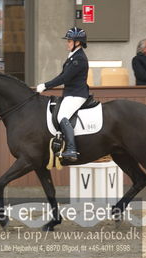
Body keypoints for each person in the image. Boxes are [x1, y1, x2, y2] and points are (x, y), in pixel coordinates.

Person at [36, 27, 89, 162]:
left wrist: (45, 86)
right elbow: (62, 75)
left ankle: (71, 149)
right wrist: (46, 85)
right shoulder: (73, 57)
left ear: (77, 42)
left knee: (62, 116)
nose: (67, 43)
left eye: (70, 41)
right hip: (70, 93)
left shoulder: (79, 59)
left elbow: (64, 78)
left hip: (77, 94)